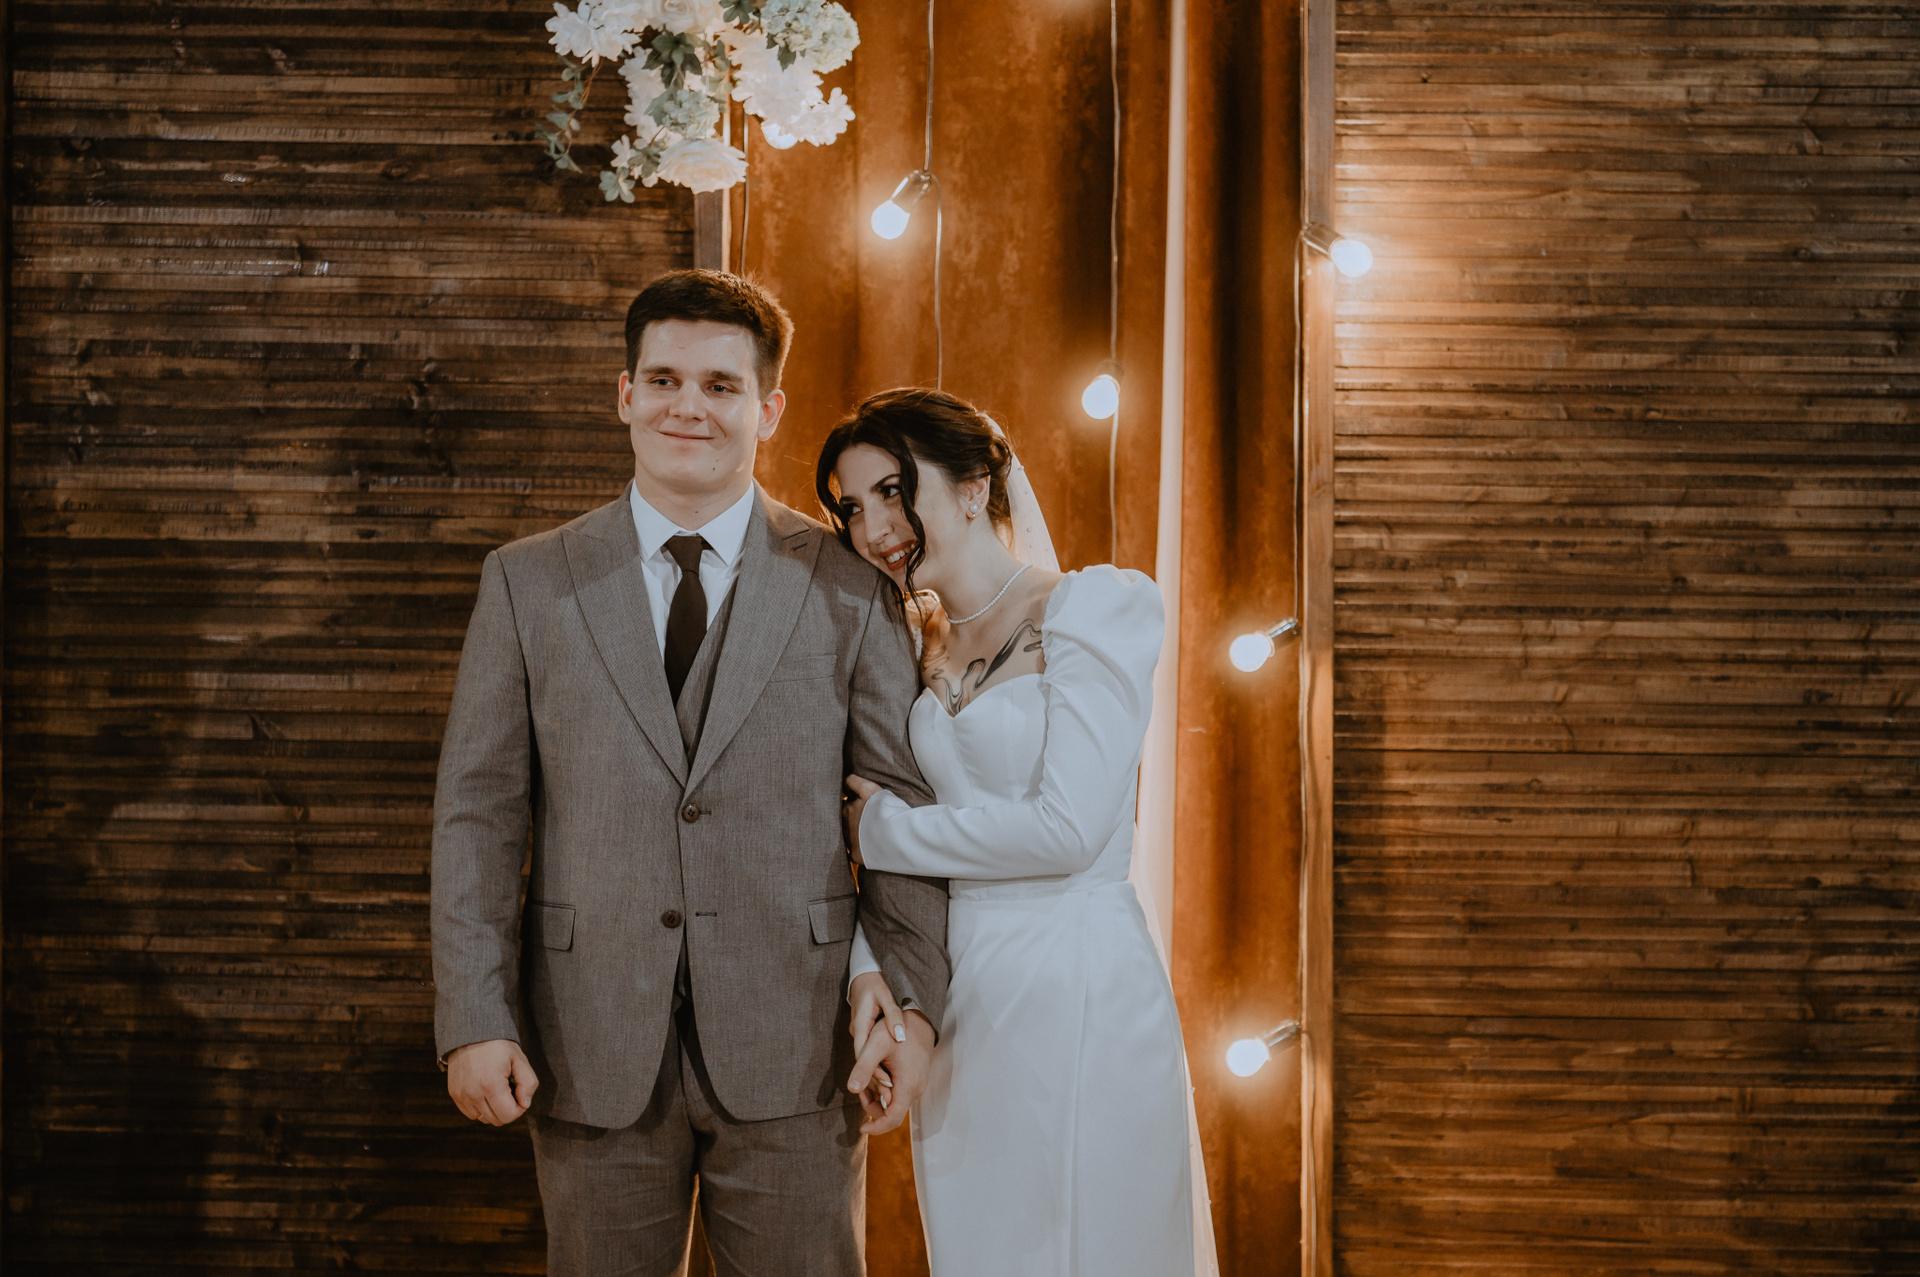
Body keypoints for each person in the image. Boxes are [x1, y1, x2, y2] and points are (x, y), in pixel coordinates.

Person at [430, 269, 950, 1277]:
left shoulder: (849, 588)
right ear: (626, 394)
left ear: (768, 409)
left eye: (720, 385)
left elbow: (905, 812)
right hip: (586, 1037)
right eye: (664, 380)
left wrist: (911, 1001)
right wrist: (475, 1016)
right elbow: (477, 815)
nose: (688, 406)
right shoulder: (528, 580)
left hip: (802, 1040)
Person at [819, 388, 1197, 1277]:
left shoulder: (1092, 608)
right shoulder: (910, 648)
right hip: (960, 1000)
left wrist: (886, 835)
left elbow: (1069, 828)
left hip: (1078, 982)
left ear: (974, 485)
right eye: (853, 507)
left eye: (892, 490)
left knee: (1095, 1241)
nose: (874, 528)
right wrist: (875, 967)